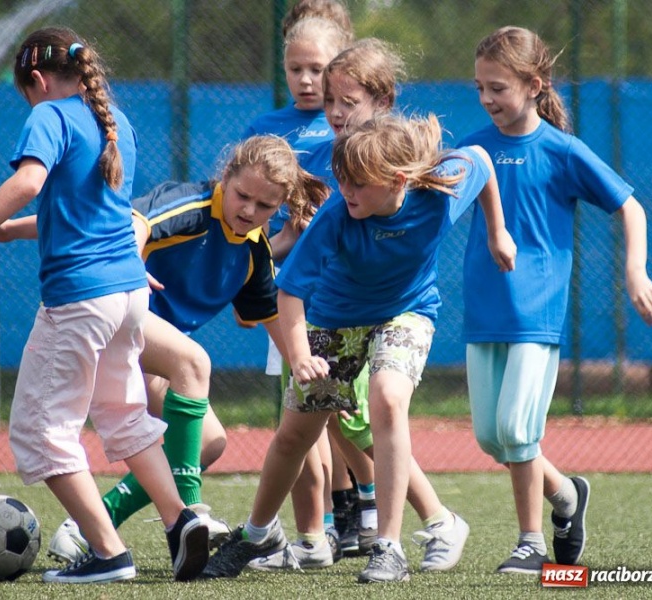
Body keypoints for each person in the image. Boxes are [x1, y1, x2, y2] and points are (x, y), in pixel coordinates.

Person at [0, 27, 209, 584]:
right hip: (128, 295)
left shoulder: (49, 114)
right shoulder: (113, 121)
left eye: (25, 90)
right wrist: (4, 233)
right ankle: (180, 522)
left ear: (38, 79)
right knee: (124, 417)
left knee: (40, 431)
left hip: (81, 299)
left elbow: (29, 182)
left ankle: (108, 554)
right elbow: (92, 214)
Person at [201, 112, 517, 584]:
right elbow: (289, 293)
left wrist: (497, 231)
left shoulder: (439, 191)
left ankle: (387, 547)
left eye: (356, 184)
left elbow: (485, 163)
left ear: (396, 181)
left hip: (406, 312)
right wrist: (301, 353)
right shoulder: (336, 217)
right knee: (294, 436)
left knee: (387, 397)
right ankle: (257, 532)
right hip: (334, 319)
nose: (345, 191)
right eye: (342, 179)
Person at [0, 135, 330, 564]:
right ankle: (189, 514)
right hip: (106, 305)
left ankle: (90, 527)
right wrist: (131, 263)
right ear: (226, 177)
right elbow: (131, 224)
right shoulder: (190, 204)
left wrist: (309, 369)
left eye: (264, 207)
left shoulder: (255, 251)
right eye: (242, 196)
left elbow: (274, 319)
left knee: (210, 442)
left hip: (144, 346)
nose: (249, 211)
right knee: (193, 361)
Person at [462, 26, 652, 575]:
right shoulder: (473, 147)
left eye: (498, 88)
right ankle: (568, 497)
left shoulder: (562, 150)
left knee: (517, 430)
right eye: (480, 88)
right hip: (483, 311)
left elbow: (631, 208)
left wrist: (634, 269)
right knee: (491, 438)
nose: (487, 100)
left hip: (536, 313)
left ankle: (529, 543)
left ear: (535, 85)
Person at [306, 38, 474, 573]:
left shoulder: (413, 175)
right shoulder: (321, 155)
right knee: (337, 420)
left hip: (388, 315)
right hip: (326, 309)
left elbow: (482, 166)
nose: (334, 110)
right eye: (328, 98)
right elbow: (303, 234)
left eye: (346, 100)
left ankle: (386, 533)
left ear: (382, 103)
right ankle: (375, 521)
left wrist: (496, 231)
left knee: (377, 408)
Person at [241, 14, 352, 572]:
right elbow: (256, 223)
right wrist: (280, 243)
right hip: (296, 295)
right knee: (301, 415)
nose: (307, 80)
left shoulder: (353, 127)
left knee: (350, 417)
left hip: (352, 294)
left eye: (319, 69)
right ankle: (319, 534)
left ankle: (364, 518)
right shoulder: (268, 129)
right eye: (296, 69)